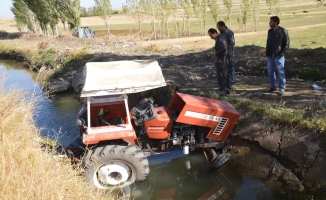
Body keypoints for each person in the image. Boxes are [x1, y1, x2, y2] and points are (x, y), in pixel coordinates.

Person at [265, 16, 290, 95]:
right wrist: (267, 52)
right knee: (270, 71)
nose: (269, 23)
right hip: (269, 55)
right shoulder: (270, 31)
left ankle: (282, 88)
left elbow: (286, 43)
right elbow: (268, 42)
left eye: (271, 21)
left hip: (278, 55)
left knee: (281, 72)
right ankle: (273, 86)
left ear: (276, 22)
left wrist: (281, 53)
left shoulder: (283, 31)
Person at [208, 28, 229, 96]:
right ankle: (224, 90)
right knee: (222, 76)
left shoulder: (221, 38)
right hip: (220, 60)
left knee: (222, 76)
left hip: (222, 60)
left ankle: (223, 90)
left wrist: (217, 54)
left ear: (215, 33)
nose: (210, 37)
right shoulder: (219, 38)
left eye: (211, 35)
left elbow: (224, 48)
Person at [216, 21, 236, 89]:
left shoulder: (229, 32)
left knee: (230, 68)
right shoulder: (221, 34)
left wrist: (226, 49)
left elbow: (232, 43)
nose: (218, 29)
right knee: (225, 69)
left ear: (223, 26)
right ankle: (226, 83)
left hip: (229, 53)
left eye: (219, 27)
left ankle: (233, 83)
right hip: (223, 55)